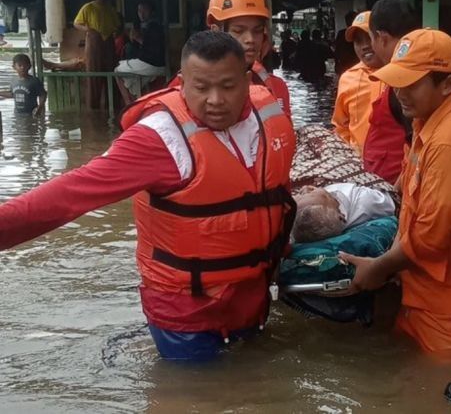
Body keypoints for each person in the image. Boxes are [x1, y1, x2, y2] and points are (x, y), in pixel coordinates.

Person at [0, 31, 297, 361]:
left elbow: (278, 192)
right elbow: (70, 194)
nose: (215, 99)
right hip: (184, 307)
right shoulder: (159, 138)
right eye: (201, 88)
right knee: (198, 397)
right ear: (181, 83)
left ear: (247, 81)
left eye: (228, 87)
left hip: (251, 295)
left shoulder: (270, 115)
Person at [340, 28, 451, 355]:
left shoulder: (448, 142)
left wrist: (380, 267)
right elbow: (411, 196)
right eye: (397, 82)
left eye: (412, 83)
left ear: (446, 84)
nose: (400, 93)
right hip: (431, 297)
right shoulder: (429, 120)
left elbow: (430, 239)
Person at [169, 0, 291, 118]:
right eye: (238, 31)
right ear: (215, 31)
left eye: (257, 31)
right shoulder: (186, 86)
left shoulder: (277, 87)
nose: (250, 40)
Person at [362, 0, 419, 183]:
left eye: (371, 38)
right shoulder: (414, 72)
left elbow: (416, 143)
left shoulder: (405, 81)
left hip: (396, 191)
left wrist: (398, 190)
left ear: (382, 38)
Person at [331, 11, 383, 153]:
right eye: (358, 41)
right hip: (359, 166)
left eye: (369, 37)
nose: (364, 45)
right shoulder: (348, 78)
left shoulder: (399, 76)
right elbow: (340, 126)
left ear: (381, 38)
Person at [73, 0, 121, 109]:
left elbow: (117, 26)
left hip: (109, 43)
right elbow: (76, 23)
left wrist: (114, 33)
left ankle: (111, 108)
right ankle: (93, 109)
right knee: (94, 76)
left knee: (110, 74)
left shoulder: (110, 9)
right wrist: (88, 30)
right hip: (94, 42)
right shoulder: (88, 7)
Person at [291, 183, 395, 243]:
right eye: (310, 193)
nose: (305, 188)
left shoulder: (324, 211)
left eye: (301, 194)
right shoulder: (368, 201)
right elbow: (395, 197)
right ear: (341, 215)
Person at [114, 0, 166, 104]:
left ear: (151, 12)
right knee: (130, 75)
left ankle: (128, 103)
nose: (141, 13)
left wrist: (138, 38)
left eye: (145, 10)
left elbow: (154, 48)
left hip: (152, 64)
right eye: (139, 10)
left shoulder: (154, 26)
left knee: (117, 70)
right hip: (147, 63)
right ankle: (136, 103)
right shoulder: (144, 25)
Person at [333, 11, 359, 75]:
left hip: (349, 64)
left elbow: (337, 51)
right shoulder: (342, 34)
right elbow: (337, 51)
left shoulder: (341, 33)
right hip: (347, 65)